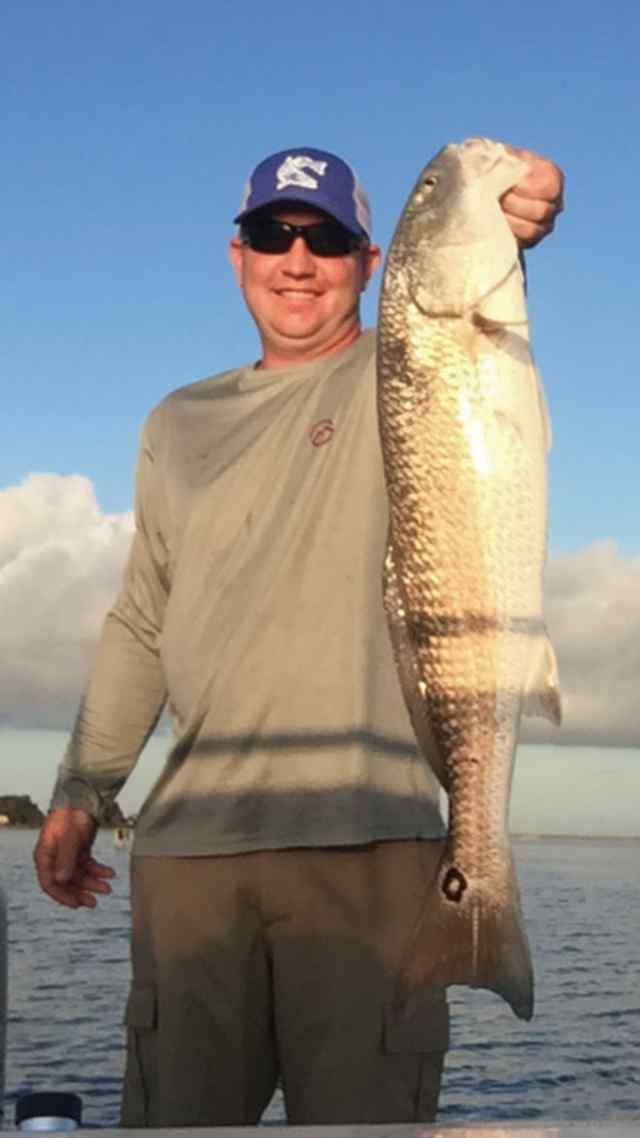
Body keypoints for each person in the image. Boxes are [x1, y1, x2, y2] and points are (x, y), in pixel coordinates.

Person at [34, 144, 565, 1127]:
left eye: (326, 238)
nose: (296, 257)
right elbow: (143, 617)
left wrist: (517, 209)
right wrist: (80, 789)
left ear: (372, 266)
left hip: (377, 854)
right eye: (272, 234)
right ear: (234, 255)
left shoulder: (409, 361)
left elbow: (471, 286)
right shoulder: (174, 422)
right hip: (191, 859)